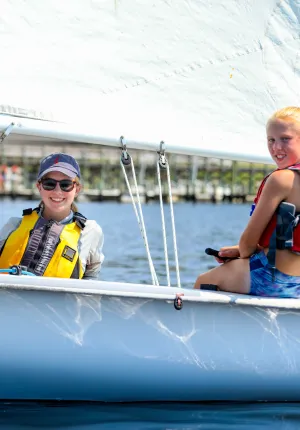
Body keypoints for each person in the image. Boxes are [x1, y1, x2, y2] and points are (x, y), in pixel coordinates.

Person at [194, 106, 300, 298]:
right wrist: (240, 250)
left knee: (204, 281)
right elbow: (288, 241)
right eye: (271, 140)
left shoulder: (281, 179)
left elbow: (248, 241)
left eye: (285, 139)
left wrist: (243, 252)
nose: (276, 147)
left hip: (273, 278)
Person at [0, 153, 104, 280]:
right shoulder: (14, 225)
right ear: (39, 187)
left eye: (65, 184)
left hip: (59, 300)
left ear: (77, 189)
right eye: (49, 183)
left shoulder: (90, 232)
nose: (57, 191)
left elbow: (91, 278)